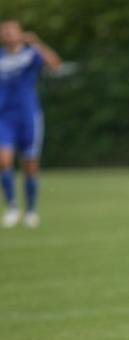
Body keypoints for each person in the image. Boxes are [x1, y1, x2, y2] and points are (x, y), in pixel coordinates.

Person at [0, 19, 61, 228]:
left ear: (20, 33)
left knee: (30, 165)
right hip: (4, 118)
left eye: (11, 30)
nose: (8, 34)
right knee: (3, 161)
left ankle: (31, 211)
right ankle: (12, 206)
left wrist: (37, 43)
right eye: (4, 31)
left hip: (28, 116)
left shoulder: (30, 53)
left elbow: (55, 65)